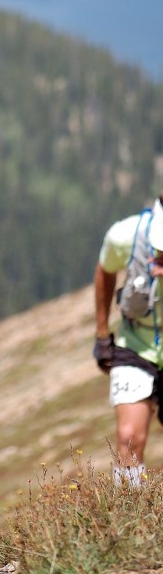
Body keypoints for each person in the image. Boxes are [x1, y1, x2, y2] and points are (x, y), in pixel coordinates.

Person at [93, 194, 163, 485]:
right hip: (135, 344)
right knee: (128, 438)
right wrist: (102, 333)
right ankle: (130, 509)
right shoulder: (124, 235)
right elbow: (105, 270)